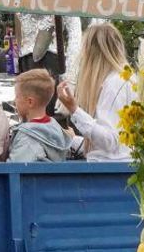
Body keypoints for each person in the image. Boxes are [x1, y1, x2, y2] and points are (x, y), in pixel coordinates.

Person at [56, 23, 133, 162]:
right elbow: (116, 146)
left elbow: (109, 142)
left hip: (111, 171)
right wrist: (72, 139)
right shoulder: (125, 78)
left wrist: (74, 110)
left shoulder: (114, 82)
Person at [5, 69, 72, 162]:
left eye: (17, 96)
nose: (14, 101)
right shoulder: (56, 128)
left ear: (30, 102)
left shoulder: (28, 139)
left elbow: (16, 167)